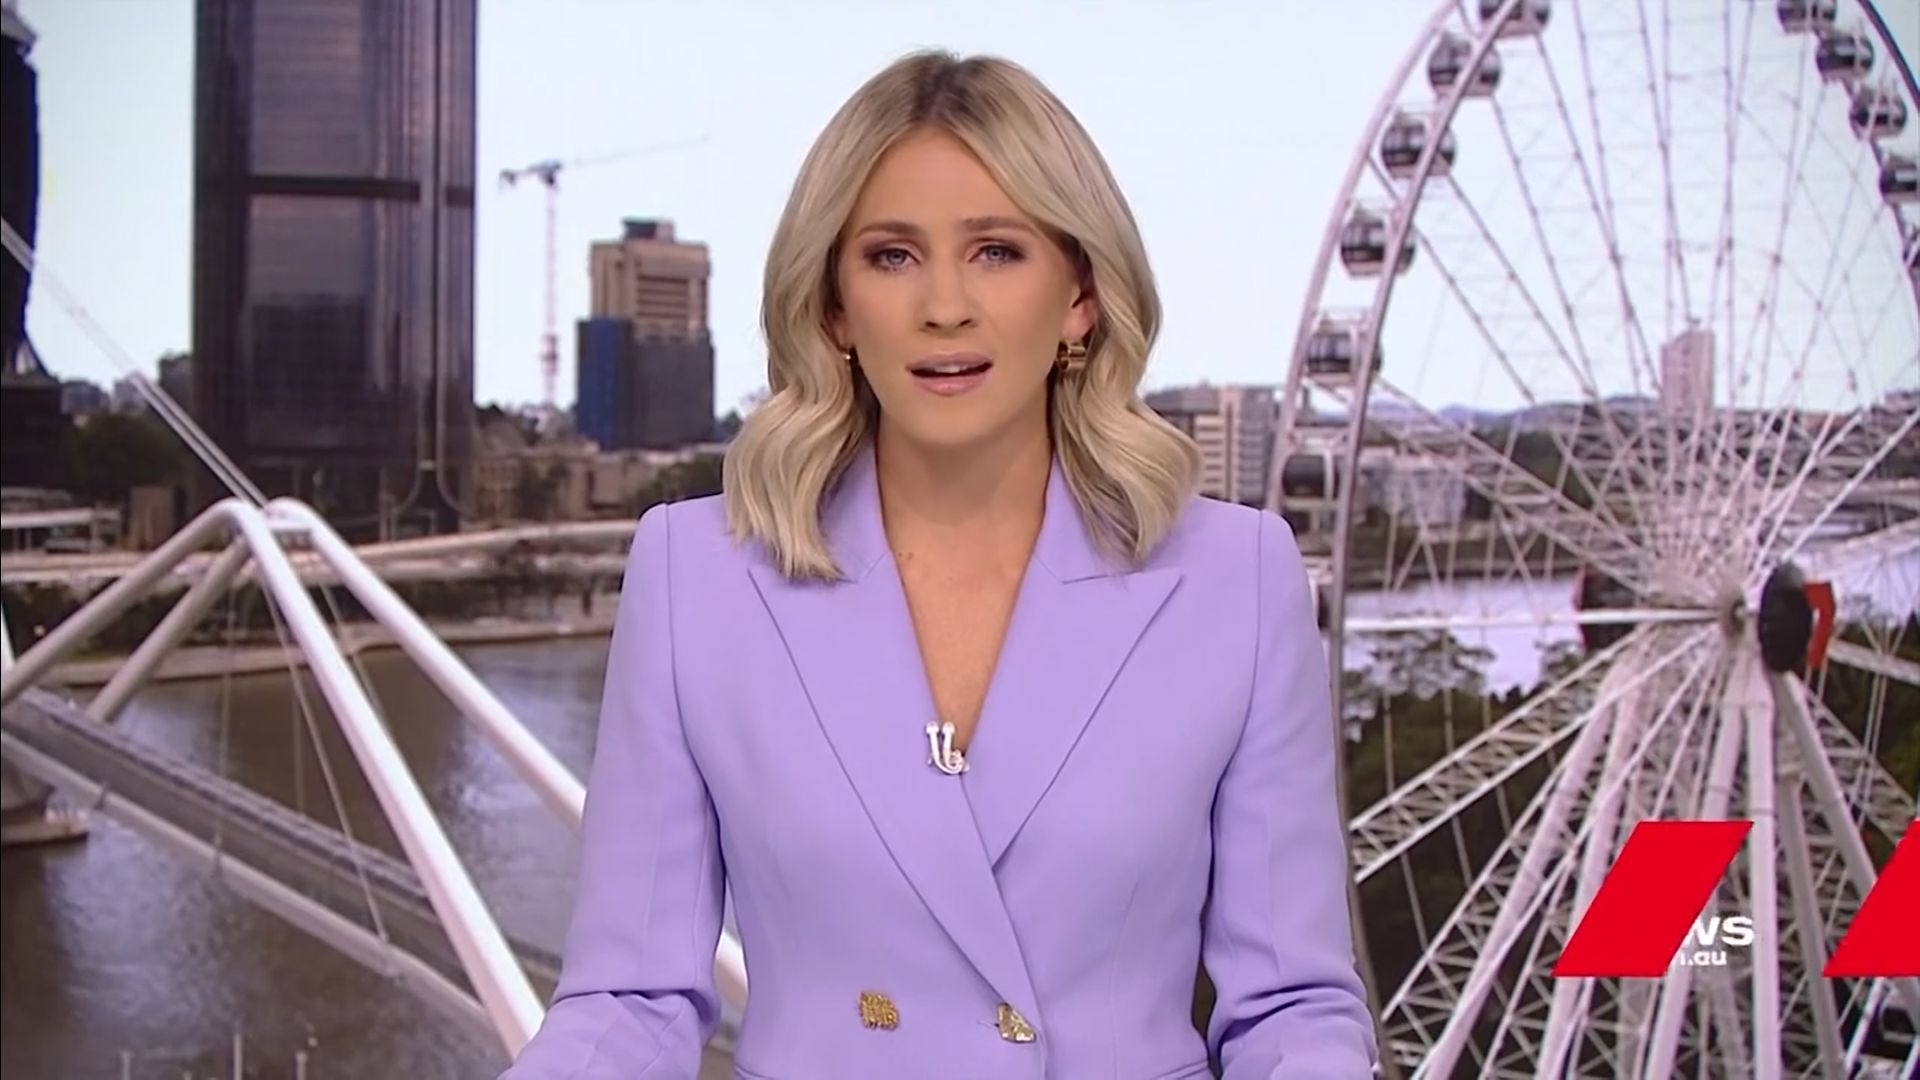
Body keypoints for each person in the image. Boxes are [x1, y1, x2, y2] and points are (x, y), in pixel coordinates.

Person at [502, 49, 1377, 1079]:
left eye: (997, 251)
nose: (945, 305)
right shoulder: (694, 577)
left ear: (1081, 295)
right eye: (892, 256)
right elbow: (631, 997)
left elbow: (1290, 1009)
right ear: (834, 305)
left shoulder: (1239, 581)